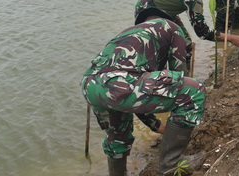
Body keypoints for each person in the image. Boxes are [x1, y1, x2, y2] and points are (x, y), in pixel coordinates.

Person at [81, 9, 205, 176]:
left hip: (91, 86)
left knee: (119, 135)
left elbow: (138, 93)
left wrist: (155, 125)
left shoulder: (129, 35)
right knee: (193, 92)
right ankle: (171, 166)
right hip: (120, 83)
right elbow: (177, 77)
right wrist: (182, 117)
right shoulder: (173, 28)